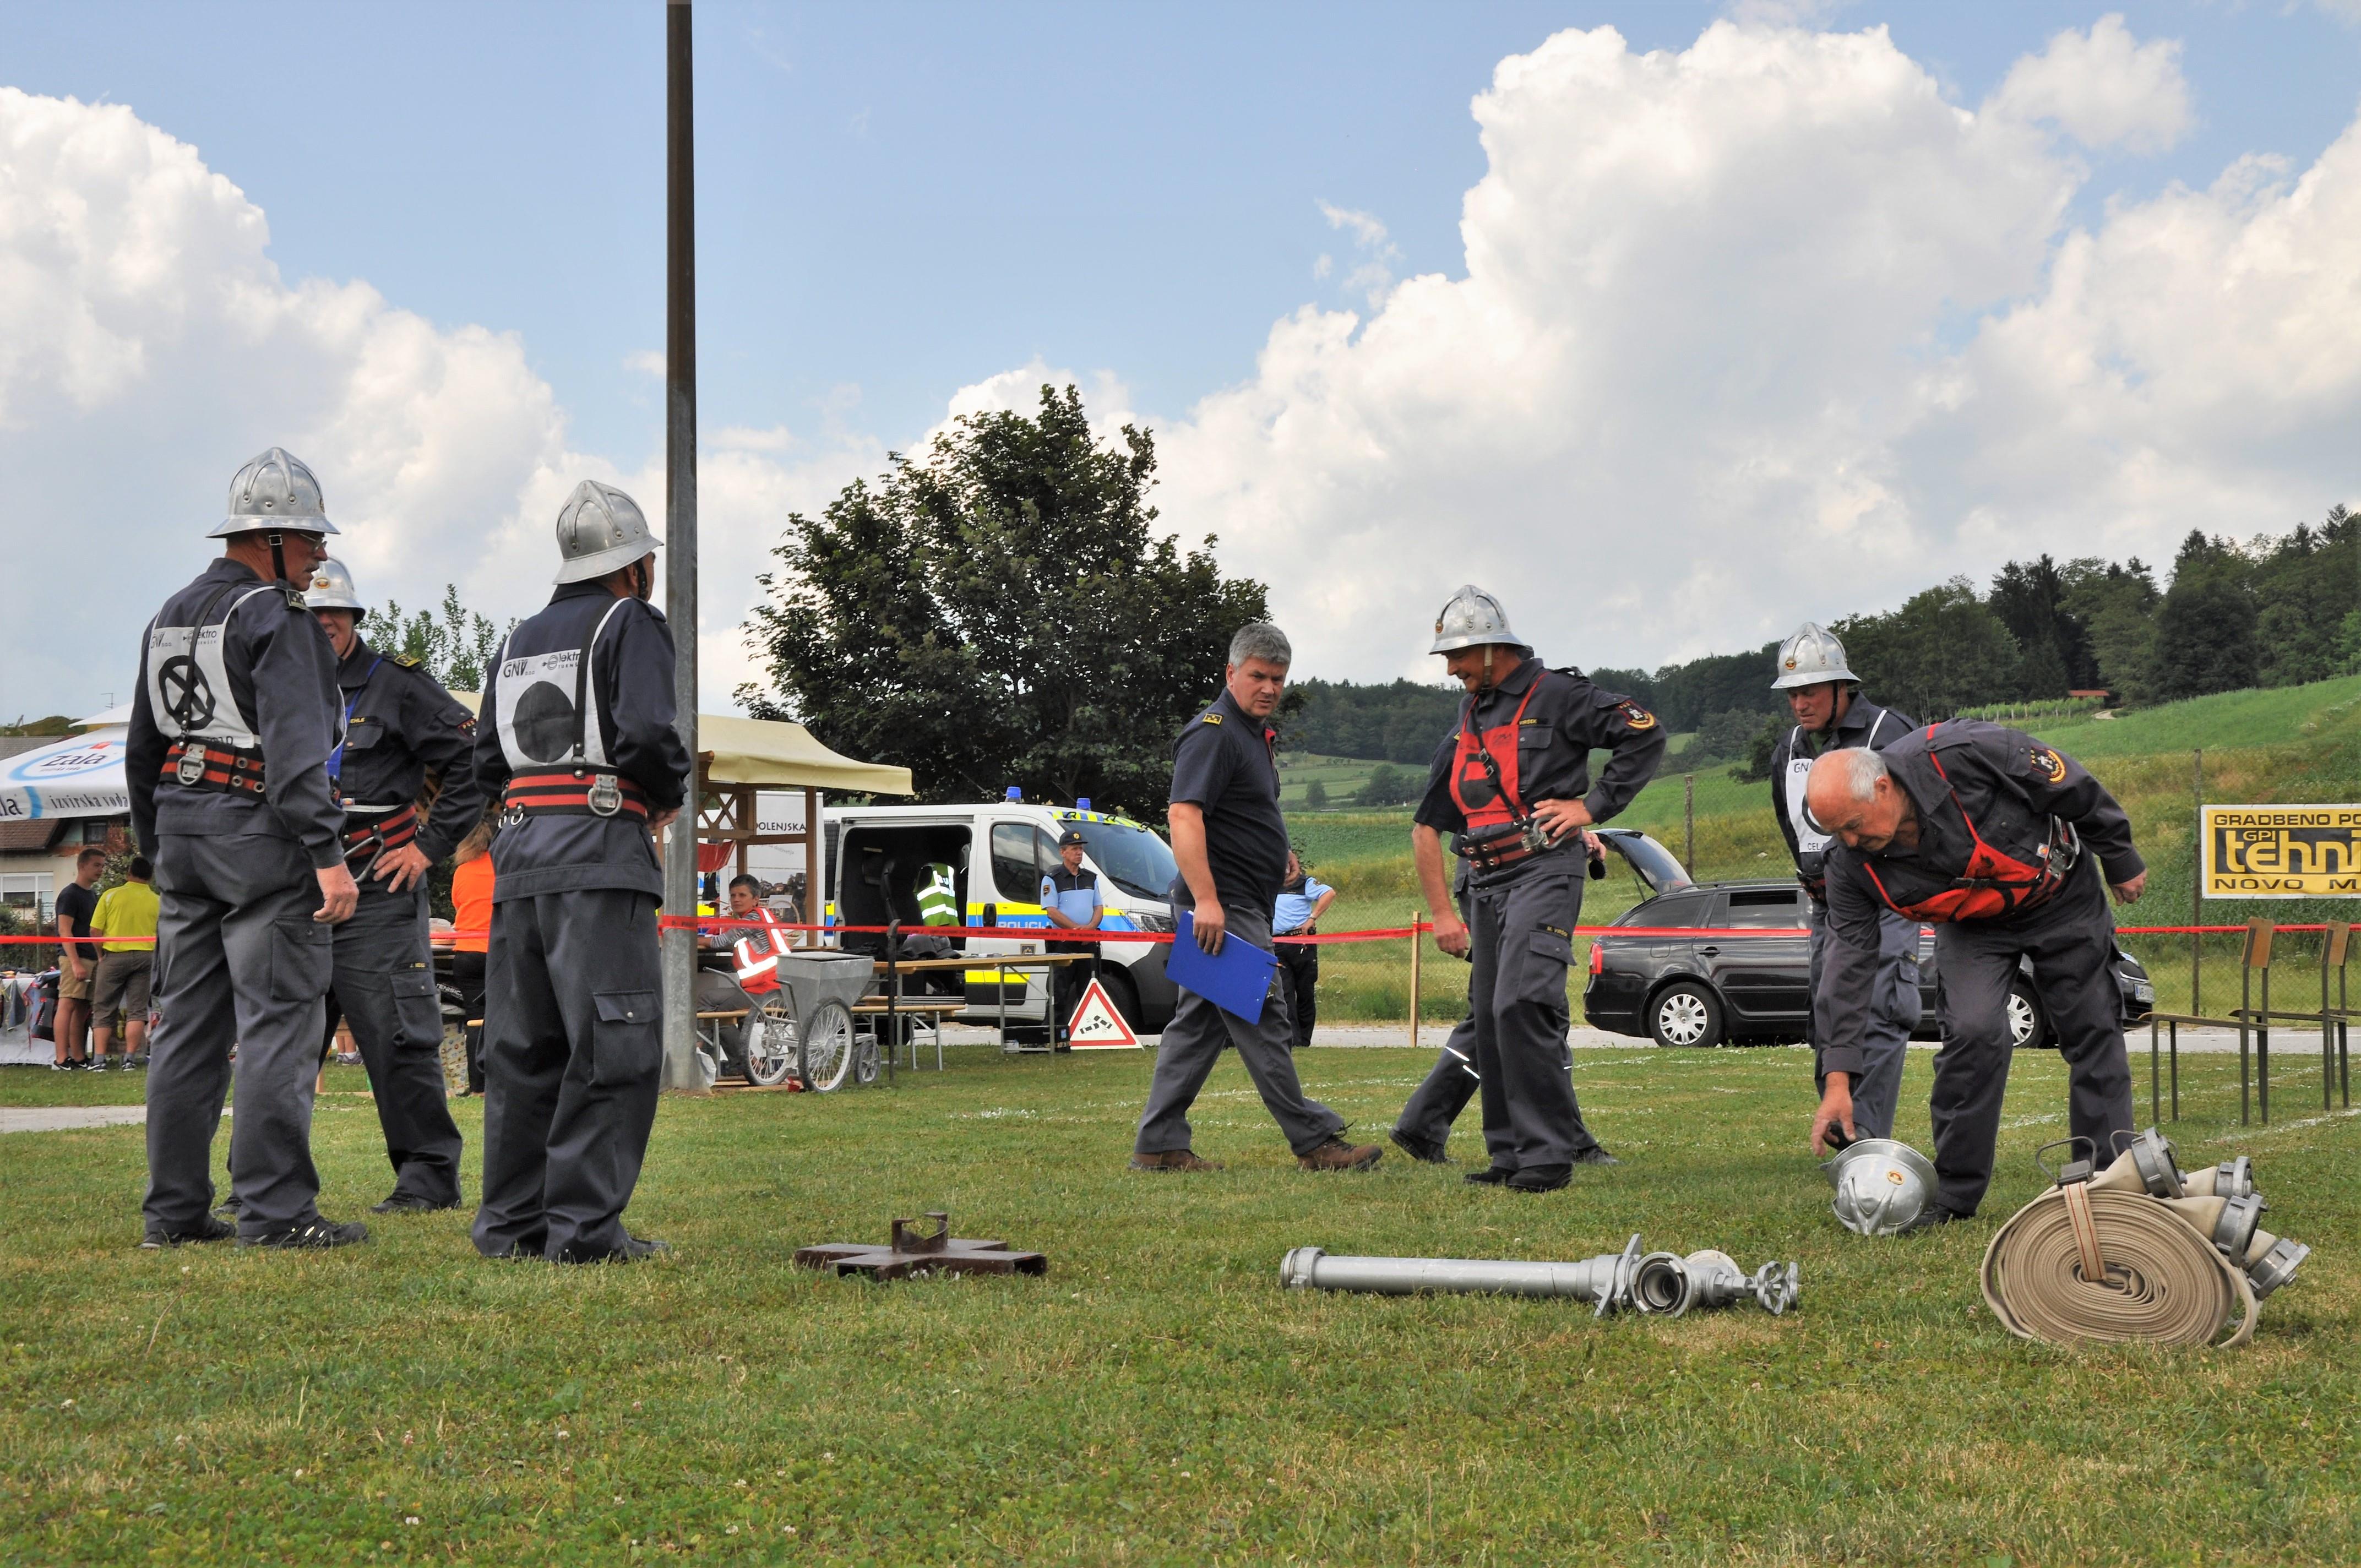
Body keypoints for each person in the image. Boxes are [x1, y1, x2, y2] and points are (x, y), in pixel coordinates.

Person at [127, 447, 362, 1250]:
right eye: (310, 539)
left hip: (183, 833)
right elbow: (297, 755)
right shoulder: (277, 617)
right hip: (260, 836)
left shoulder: (167, 616)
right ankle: (276, 1210)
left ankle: (173, 1214)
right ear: (270, 540)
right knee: (280, 1025)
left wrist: (158, 848)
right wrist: (328, 856)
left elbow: (143, 748)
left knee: (186, 1032)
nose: (320, 554)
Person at [471, 480, 690, 1264]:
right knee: (612, 1043)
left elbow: (485, 760)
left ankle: (512, 1227)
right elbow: (647, 734)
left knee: (523, 1052)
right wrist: (665, 795)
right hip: (599, 856)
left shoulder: (516, 639)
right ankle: (584, 1231)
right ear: (633, 567)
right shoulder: (630, 621)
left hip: (519, 857)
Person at [1805, 723, 2147, 1224]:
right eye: (1837, 833)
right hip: (1973, 928)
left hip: (2061, 899)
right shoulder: (1849, 865)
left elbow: (2068, 783)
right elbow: (1847, 966)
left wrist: (2118, 854)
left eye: (1854, 825)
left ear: (1882, 787)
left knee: (2092, 1027)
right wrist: (1838, 1080)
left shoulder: (1964, 752)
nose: (1852, 841)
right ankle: (1953, 1195)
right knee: (1972, 1032)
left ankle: (2107, 1181)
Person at [1412, 585, 1664, 1191]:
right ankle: (1508, 1155)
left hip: (1544, 869)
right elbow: (1434, 816)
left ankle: (1548, 1155)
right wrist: (1445, 907)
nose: (1450, 669)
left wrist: (1591, 807)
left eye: (1458, 656)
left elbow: (1645, 733)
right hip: (1485, 880)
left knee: (1520, 1003)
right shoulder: (1472, 712)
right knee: (1491, 1016)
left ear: (1492, 649)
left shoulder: (1558, 694)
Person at [1132, 623, 1381, 1173]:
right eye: (1258, 676)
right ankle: (1314, 1141)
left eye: (1278, 679)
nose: (1269, 688)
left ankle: (1158, 1145)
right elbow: (1183, 815)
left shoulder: (1251, 734)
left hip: (1241, 900)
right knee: (1266, 1014)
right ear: (1231, 673)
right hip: (1224, 906)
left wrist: (1278, 851)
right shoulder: (1214, 732)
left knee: (1197, 1027)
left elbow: (1240, 812)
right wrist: (1208, 901)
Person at [297, 556, 485, 1211]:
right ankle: (266, 1180)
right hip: (296, 885)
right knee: (284, 1037)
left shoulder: (397, 684)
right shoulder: (274, 685)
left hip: (377, 882)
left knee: (398, 1032)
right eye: (311, 614)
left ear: (353, 617)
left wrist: (428, 847)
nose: (323, 623)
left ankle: (428, 1179)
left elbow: (472, 758)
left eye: (334, 613)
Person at [1765, 623, 1920, 1142]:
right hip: (1827, 902)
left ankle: (1866, 1137)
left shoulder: (1890, 734)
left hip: (1885, 898)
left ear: (1841, 687)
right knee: (1828, 1009)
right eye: (1792, 694)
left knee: (1880, 1004)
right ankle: (1838, 1121)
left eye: (1810, 691)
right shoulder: (1790, 747)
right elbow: (1790, 820)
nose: (1800, 704)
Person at [89, 855, 162, 1069]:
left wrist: (100, 956)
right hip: (146, 957)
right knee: (137, 1010)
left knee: (104, 1008)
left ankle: (99, 1060)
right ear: (151, 877)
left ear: (129, 873)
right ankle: (130, 1059)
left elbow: (95, 931)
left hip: (114, 956)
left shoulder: (111, 896)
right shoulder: (157, 901)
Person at [1040, 828, 1103, 1042]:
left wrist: (1090, 929)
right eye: (1075, 849)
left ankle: (1090, 1035)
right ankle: (1054, 1036)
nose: (1079, 853)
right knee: (1059, 991)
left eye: (1081, 849)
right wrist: (1077, 930)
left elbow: (1098, 907)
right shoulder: (1052, 879)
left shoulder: (1091, 878)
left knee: (1089, 990)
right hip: (1064, 943)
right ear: (1063, 852)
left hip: (1087, 942)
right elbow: (1052, 912)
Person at [1270, 850, 1335, 1050]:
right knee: (1285, 992)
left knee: (1305, 991)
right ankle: (1293, 1040)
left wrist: (1312, 919)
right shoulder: (1268, 885)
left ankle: (1304, 1040)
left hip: (1301, 943)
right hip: (1277, 943)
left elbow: (1329, 893)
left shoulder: (1303, 883)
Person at [448, 819, 495, 1094]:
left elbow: (458, 904)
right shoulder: (503, 868)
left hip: (467, 953)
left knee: (475, 1019)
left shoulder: (462, 871)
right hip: (498, 951)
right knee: (506, 1018)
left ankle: (478, 1086)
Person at [50, 847, 104, 1070]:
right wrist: (74, 963)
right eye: (96, 865)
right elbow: (65, 931)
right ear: (82, 866)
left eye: (102, 866)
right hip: (74, 957)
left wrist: (99, 957)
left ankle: (79, 1057)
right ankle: (61, 1059)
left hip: (91, 957)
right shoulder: (70, 894)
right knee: (67, 1004)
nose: (100, 870)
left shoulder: (92, 895)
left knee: (82, 1007)